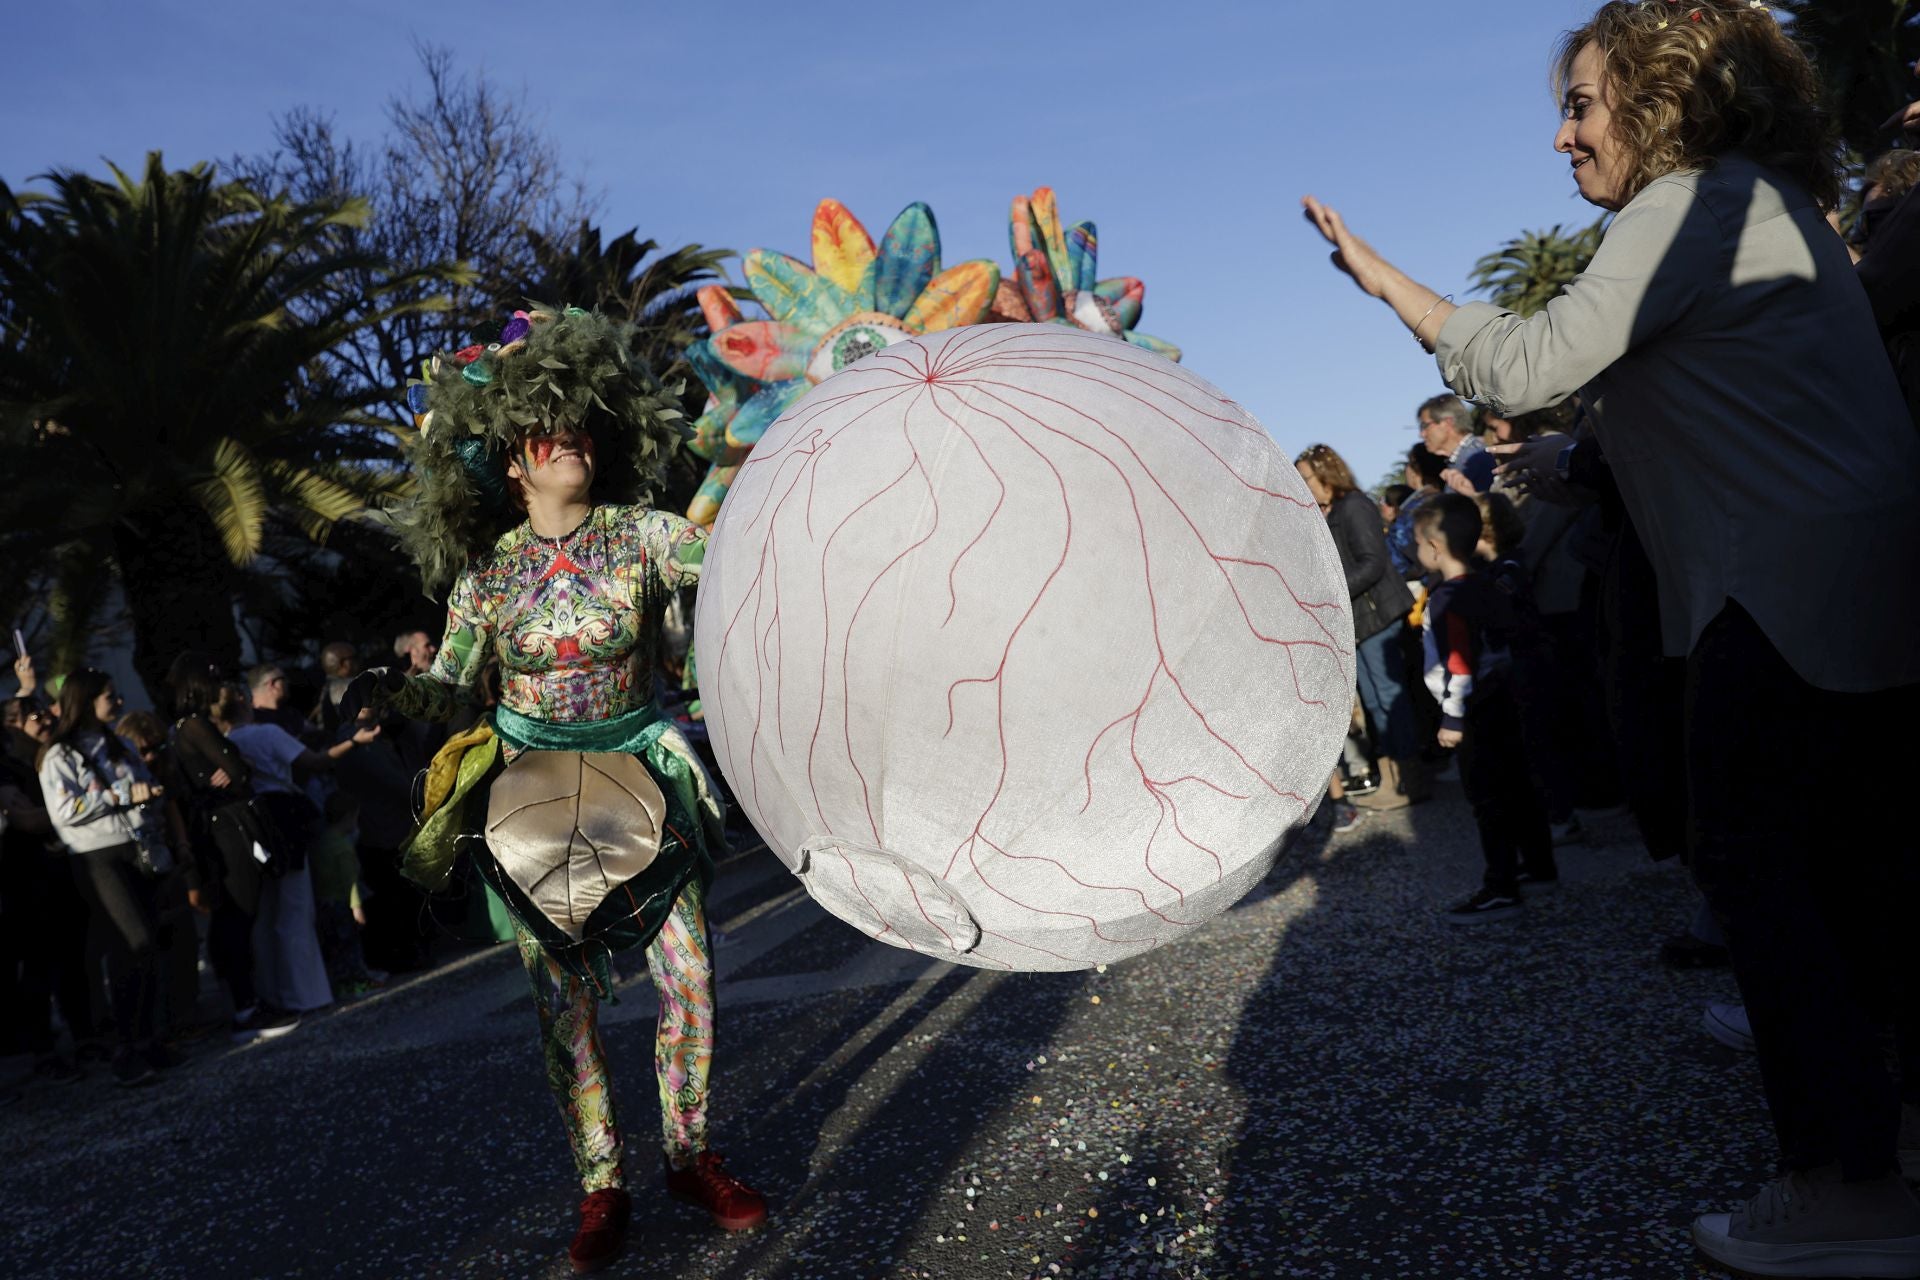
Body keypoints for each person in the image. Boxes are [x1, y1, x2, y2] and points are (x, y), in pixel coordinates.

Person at [1303, 1, 1920, 1269]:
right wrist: (1580, 460)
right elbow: (1718, 406)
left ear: (1664, 101)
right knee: (1842, 871)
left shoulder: (1693, 199)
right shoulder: (1751, 202)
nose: (1562, 137)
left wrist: (1383, 278)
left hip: (1782, 586)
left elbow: (1526, 359)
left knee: (1761, 869)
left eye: (1580, 105)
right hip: (1833, 571)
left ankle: (1849, 1189)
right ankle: (1877, 1128)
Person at [359, 306, 765, 1271]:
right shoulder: (485, 577)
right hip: (531, 798)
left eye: (577, 422)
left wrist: (765, 456)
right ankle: (600, 1186)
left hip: (643, 777)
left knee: (692, 980)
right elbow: (452, 677)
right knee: (566, 1006)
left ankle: (690, 1156)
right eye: (543, 430)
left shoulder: (646, 537)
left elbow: (739, 562)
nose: (567, 437)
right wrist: (396, 689)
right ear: (511, 461)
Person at [1411, 497, 1556, 923]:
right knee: (1519, 787)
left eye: (1417, 543)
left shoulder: (1446, 598)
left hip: (1476, 708)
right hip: (1508, 695)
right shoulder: (1486, 585)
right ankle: (1539, 866)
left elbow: (1457, 660)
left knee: (1488, 798)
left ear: (1435, 548)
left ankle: (1501, 886)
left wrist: (1452, 717)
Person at [34, 669, 176, 1085]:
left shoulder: (118, 742)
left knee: (149, 945)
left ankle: (148, 1040)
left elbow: (143, 782)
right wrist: (119, 796)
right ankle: (126, 1047)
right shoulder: (60, 754)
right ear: (86, 700)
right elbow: (64, 811)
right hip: (97, 856)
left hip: (136, 848)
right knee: (133, 942)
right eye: (108, 696)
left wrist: (148, 793)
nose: (117, 702)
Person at [163, 654, 298, 1044]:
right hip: (226, 829)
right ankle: (245, 1007)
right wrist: (233, 766)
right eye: (213, 678)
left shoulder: (189, 728)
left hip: (227, 824)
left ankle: (247, 1002)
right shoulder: (193, 726)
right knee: (238, 916)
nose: (220, 686)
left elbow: (236, 769)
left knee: (240, 916)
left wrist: (234, 765)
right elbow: (237, 771)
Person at [221, 685, 378, 1016]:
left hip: (247, 822)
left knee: (265, 912)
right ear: (246, 702)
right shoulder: (266, 733)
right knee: (294, 908)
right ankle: (306, 993)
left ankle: (273, 993)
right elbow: (315, 761)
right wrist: (354, 741)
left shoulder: (226, 743)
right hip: (282, 818)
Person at [1297, 444, 1426, 813]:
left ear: (1326, 473)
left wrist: (1330, 592)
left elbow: (1372, 563)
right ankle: (1395, 776)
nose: (1304, 485)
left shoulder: (1354, 507)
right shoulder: (1334, 512)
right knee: (1374, 700)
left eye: (1306, 478)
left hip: (1378, 613)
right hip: (1364, 617)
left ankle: (1409, 778)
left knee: (1387, 697)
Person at [1415, 394, 1494, 494]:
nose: (1422, 434)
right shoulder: (1465, 458)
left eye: (1425, 426)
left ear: (1448, 423)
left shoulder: (1475, 459)